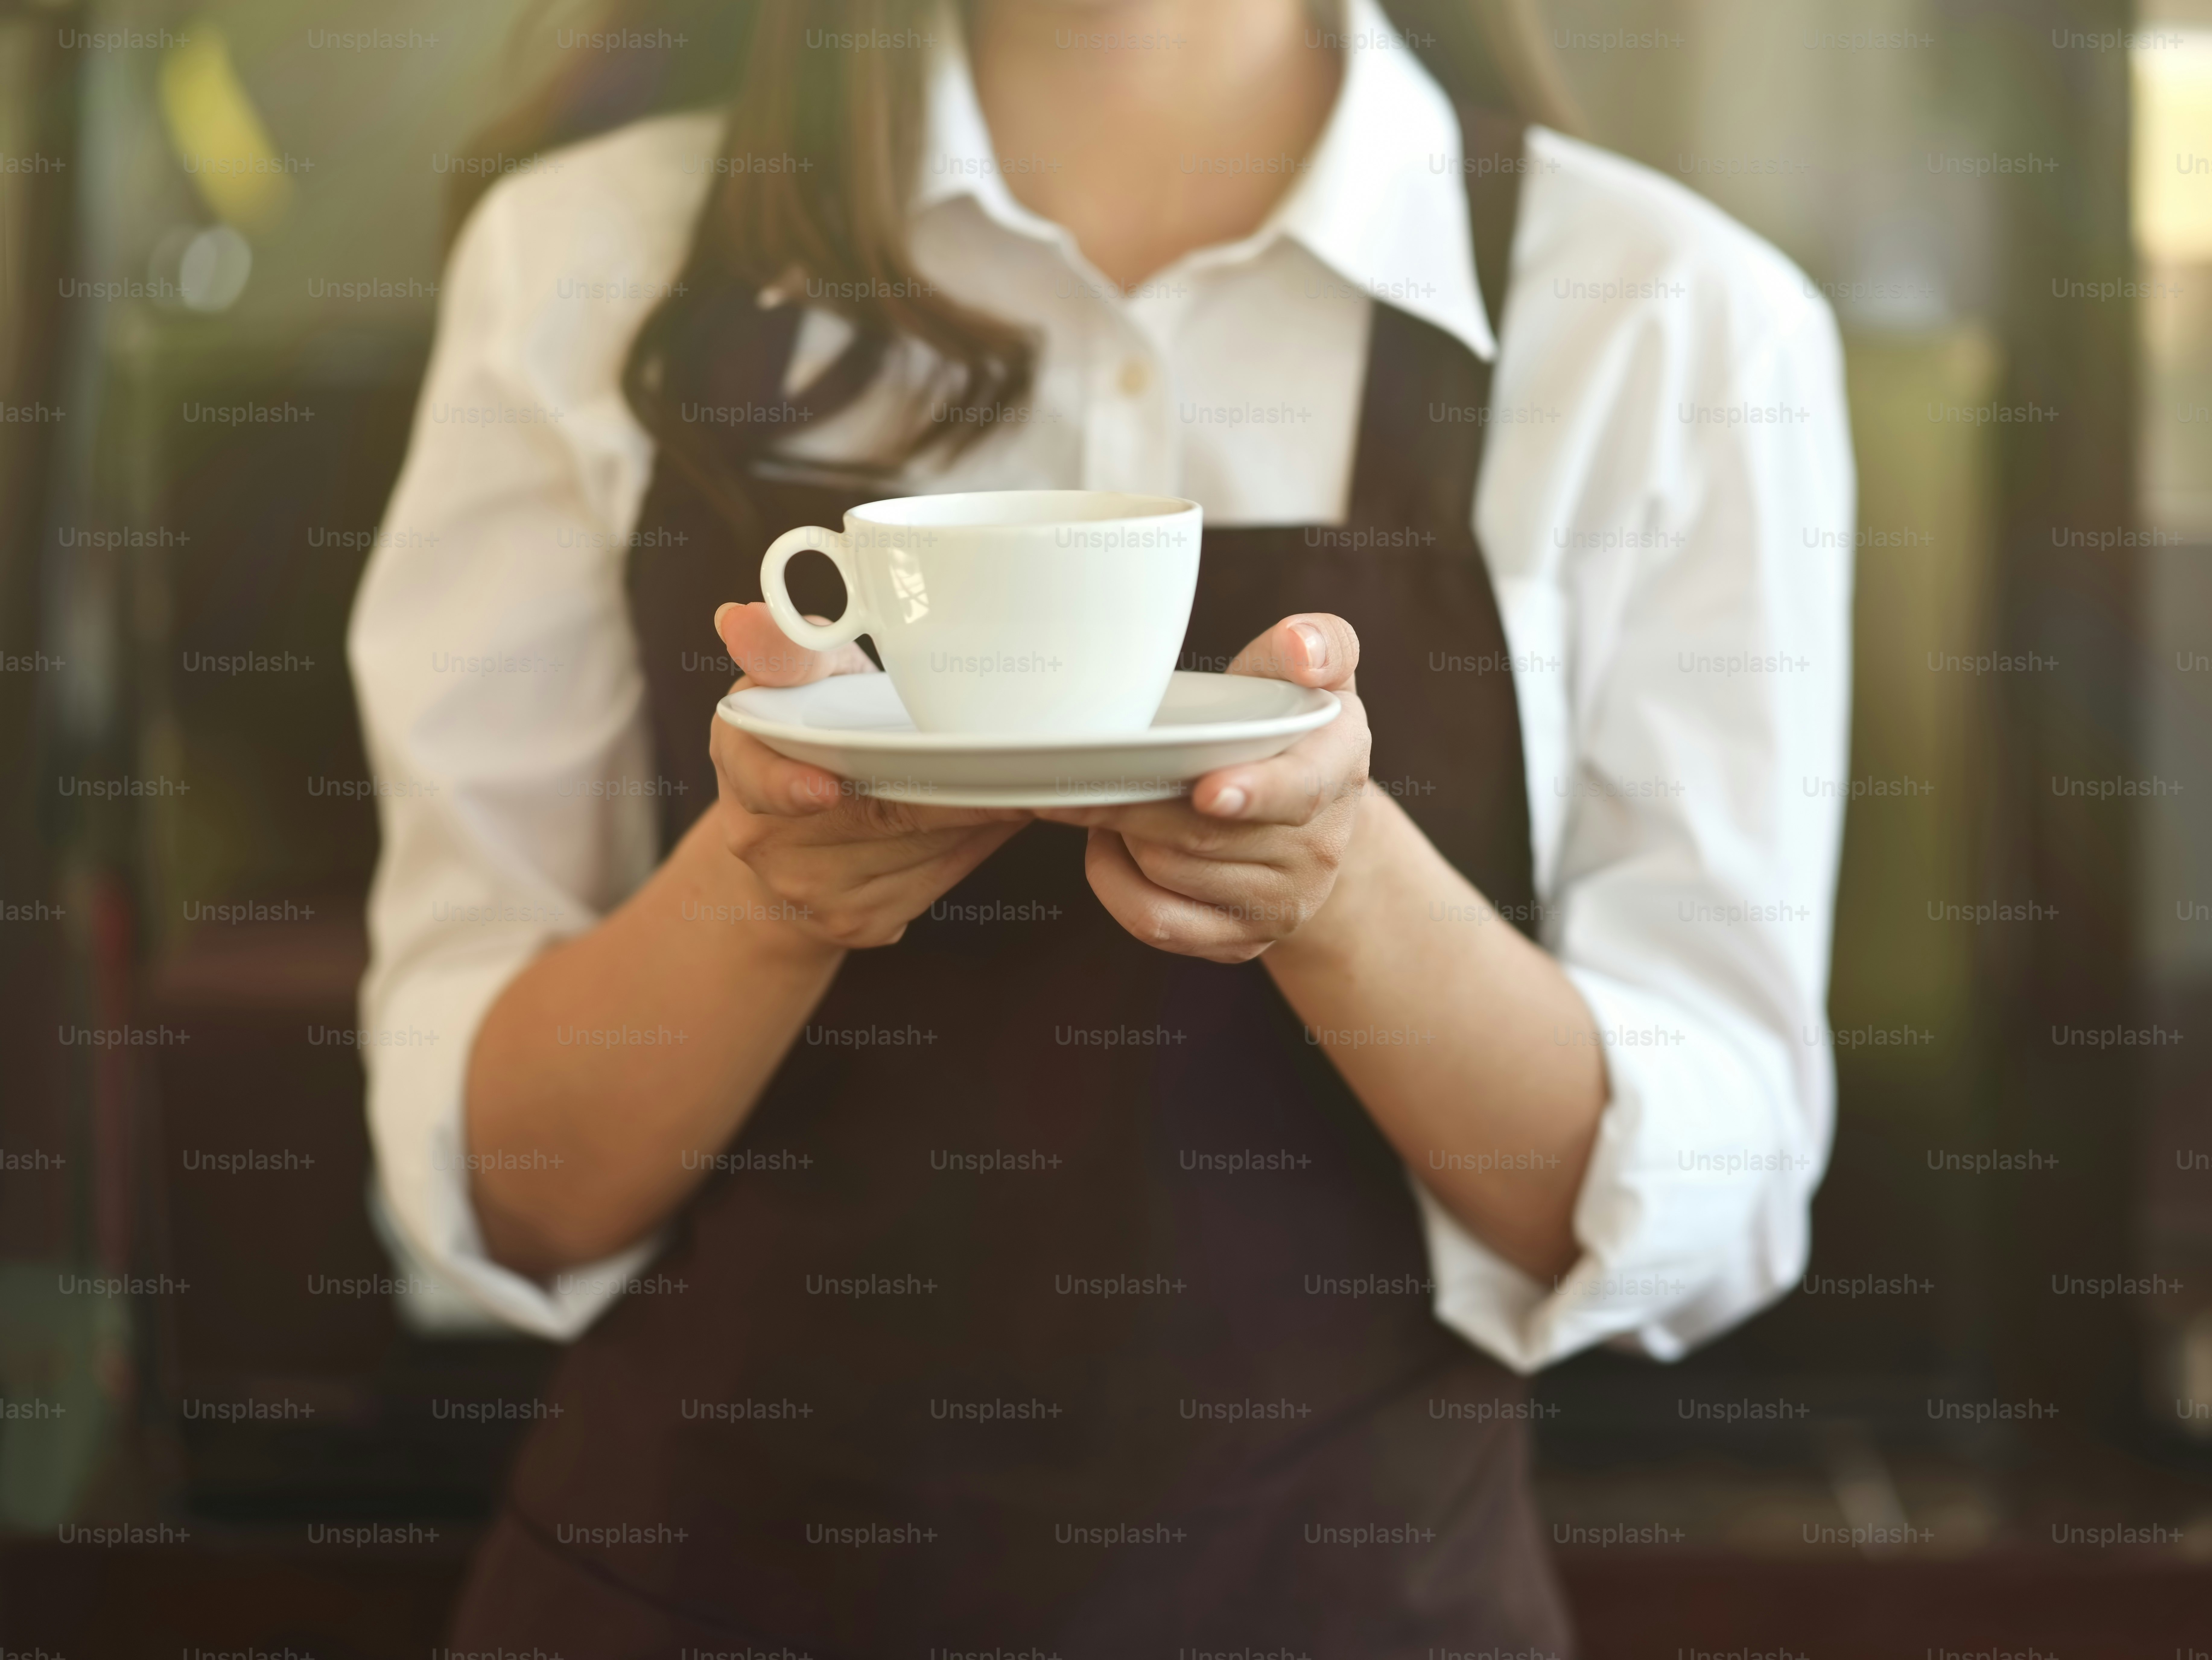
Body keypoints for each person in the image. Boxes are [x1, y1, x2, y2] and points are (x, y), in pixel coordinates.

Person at [347, 0, 1853, 1647]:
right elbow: (510, 1185)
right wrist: (762, 890)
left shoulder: (1673, 322)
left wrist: (1342, 884)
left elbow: (1710, 1198)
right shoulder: (579, 260)